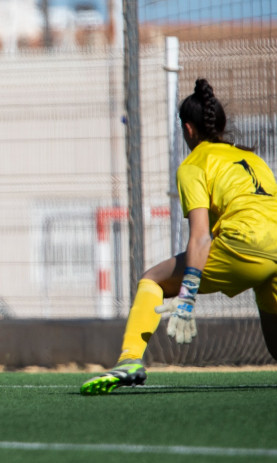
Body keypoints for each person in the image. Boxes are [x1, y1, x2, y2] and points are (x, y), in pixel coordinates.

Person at [81, 78, 277, 395]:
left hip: (244, 244)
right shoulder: (255, 160)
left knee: (152, 279)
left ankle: (129, 359)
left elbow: (200, 237)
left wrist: (187, 294)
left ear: (188, 129)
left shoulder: (193, 164)